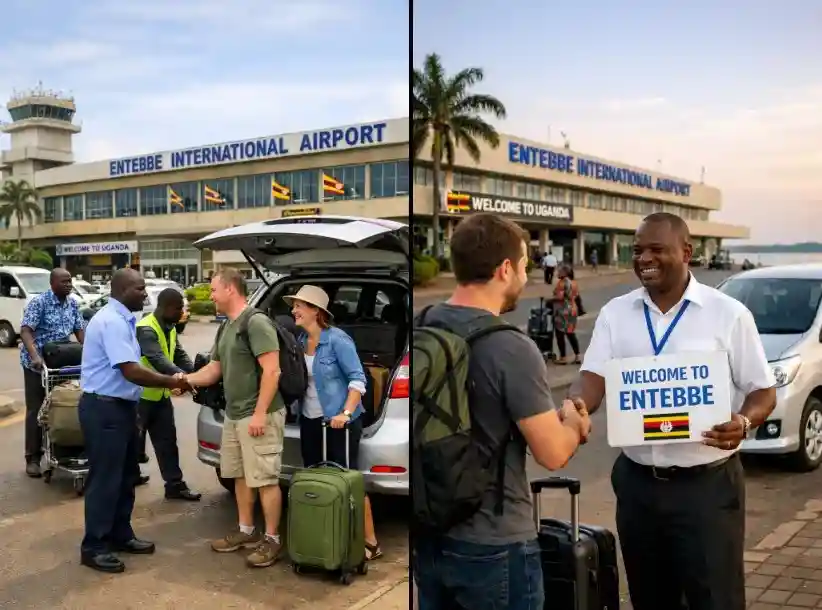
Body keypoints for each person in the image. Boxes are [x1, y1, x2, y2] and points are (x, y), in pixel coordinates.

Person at [565, 212, 776, 610]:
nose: (644, 258)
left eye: (656, 249)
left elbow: (763, 390)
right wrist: (576, 404)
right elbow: (593, 375)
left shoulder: (728, 314)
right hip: (638, 485)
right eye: (638, 249)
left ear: (686, 252)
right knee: (650, 597)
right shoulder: (615, 313)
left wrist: (744, 421)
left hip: (708, 489)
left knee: (716, 598)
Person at [412, 213, 591, 610]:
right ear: (505, 269)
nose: (527, 277)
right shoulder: (511, 347)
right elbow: (552, 453)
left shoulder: (422, 324)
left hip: (429, 534)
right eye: (525, 266)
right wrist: (574, 422)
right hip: (494, 544)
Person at [79, 268, 191, 574]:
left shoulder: (127, 319)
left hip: (123, 407)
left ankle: (120, 534)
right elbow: (130, 370)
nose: (145, 293)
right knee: (105, 480)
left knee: (127, 476)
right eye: (140, 288)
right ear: (122, 290)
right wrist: (172, 381)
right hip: (104, 409)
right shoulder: (112, 321)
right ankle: (94, 547)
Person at [185, 268, 287, 569]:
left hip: (260, 414)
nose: (211, 295)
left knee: (266, 479)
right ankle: (245, 531)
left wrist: (258, 414)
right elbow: (214, 370)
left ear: (230, 289)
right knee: (240, 475)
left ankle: (272, 540)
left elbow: (272, 371)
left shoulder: (256, 323)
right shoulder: (227, 327)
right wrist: (183, 378)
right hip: (234, 414)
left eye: (214, 290)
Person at [287, 284, 382, 561]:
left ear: (316, 311)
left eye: (299, 306)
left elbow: (357, 379)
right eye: (294, 306)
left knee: (346, 479)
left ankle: (371, 542)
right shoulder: (301, 342)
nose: (294, 310)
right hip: (310, 419)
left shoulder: (338, 340)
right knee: (316, 478)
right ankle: (326, 537)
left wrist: (345, 412)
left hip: (340, 420)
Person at [135, 288, 201, 501]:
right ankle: (129, 478)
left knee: (167, 443)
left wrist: (195, 374)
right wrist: (182, 378)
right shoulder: (146, 329)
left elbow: (177, 354)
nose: (182, 312)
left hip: (160, 397)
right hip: (140, 397)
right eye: (178, 308)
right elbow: (158, 359)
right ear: (164, 307)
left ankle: (174, 485)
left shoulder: (170, 327)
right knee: (132, 443)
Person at [20, 268, 86, 477]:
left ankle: (63, 451)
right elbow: (26, 330)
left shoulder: (73, 303)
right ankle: (33, 458)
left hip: (61, 360)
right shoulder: (40, 302)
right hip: (37, 363)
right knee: (36, 409)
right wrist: (35, 356)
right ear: (52, 283)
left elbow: (79, 329)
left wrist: (90, 351)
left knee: (64, 405)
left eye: (70, 281)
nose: (68, 284)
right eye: (64, 281)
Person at [553, 264, 581, 365]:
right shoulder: (574, 283)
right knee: (570, 333)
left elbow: (560, 297)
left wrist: (550, 300)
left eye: (560, 271)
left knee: (560, 334)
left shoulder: (562, 283)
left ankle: (563, 357)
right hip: (573, 309)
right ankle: (577, 356)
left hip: (562, 311)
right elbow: (576, 296)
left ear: (565, 273)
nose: (558, 272)